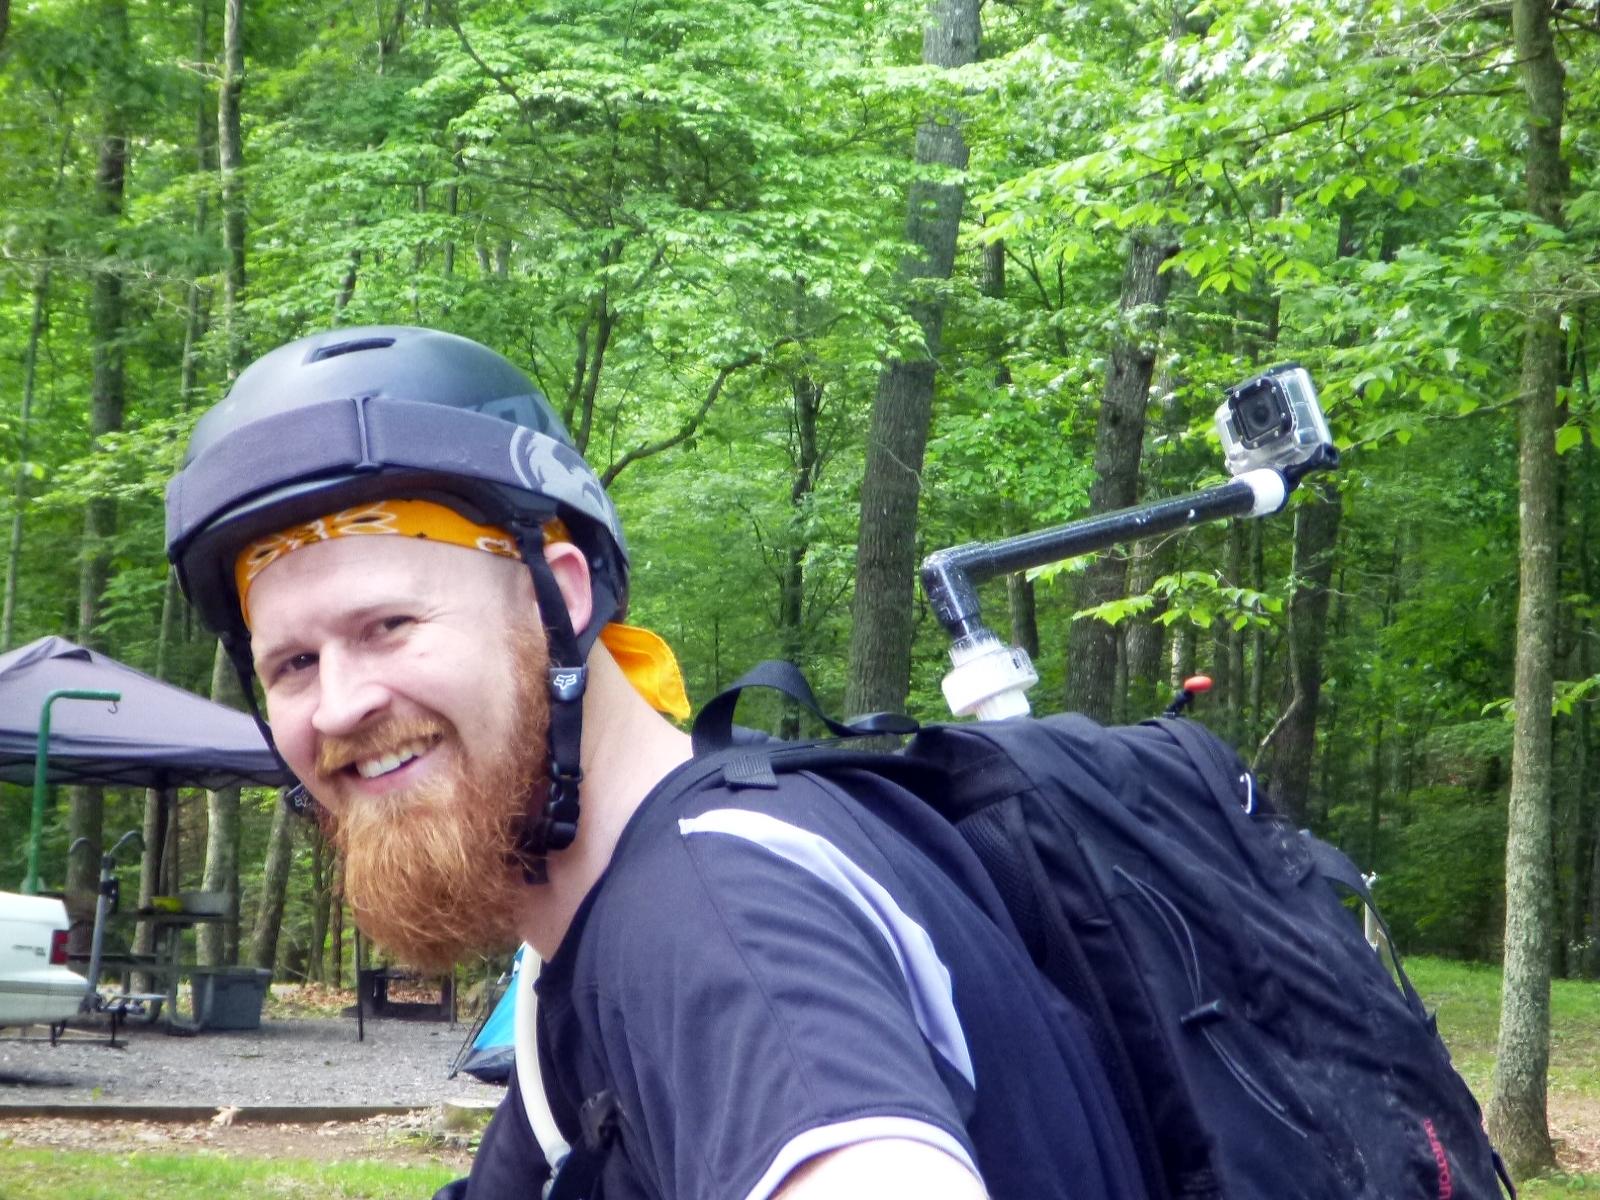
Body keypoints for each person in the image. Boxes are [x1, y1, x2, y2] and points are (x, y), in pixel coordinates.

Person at [164, 326, 1148, 1200]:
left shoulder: (713, 918)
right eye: (293, 664)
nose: (339, 704)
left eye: (389, 625)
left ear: (559, 599)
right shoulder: (577, 951)